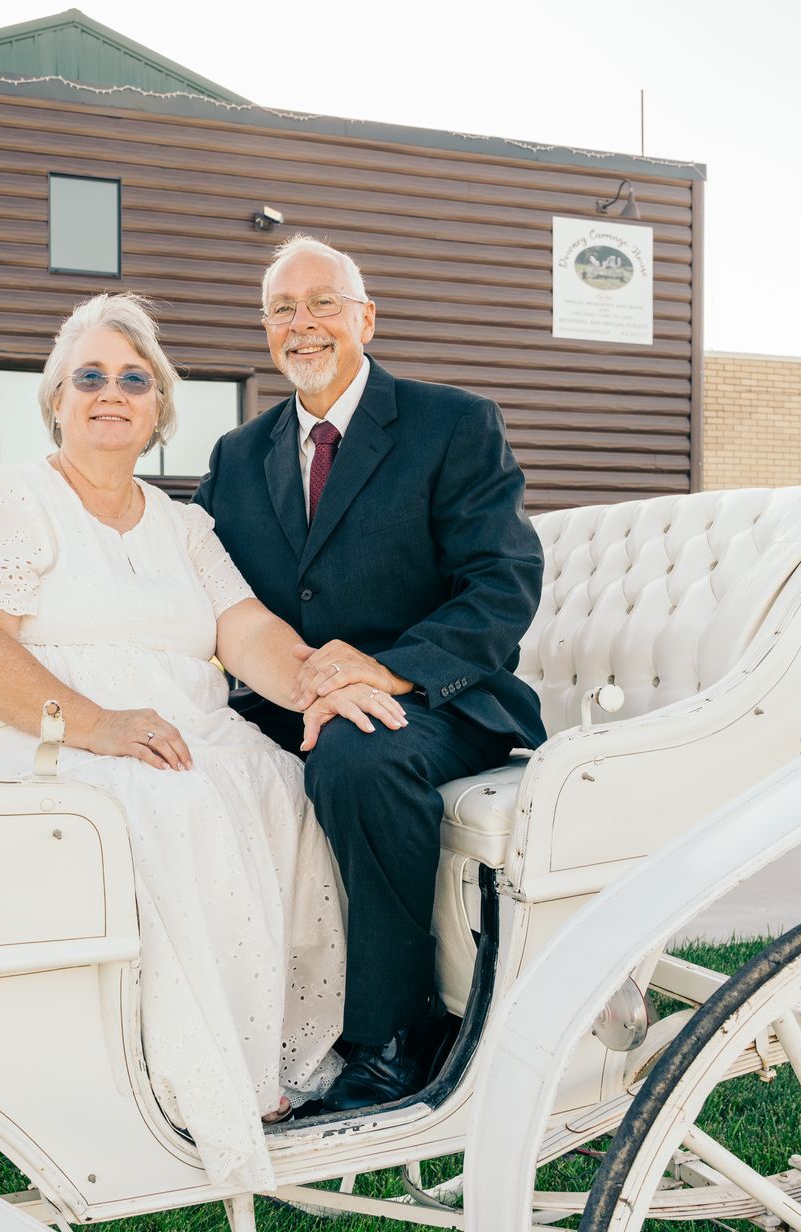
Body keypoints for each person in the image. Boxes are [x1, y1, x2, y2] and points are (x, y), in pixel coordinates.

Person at [0, 293, 406, 1191]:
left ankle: (276, 1063)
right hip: (32, 728)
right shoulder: (10, 493)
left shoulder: (185, 525)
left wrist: (321, 683)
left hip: (175, 727)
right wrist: (99, 725)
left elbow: (245, 630)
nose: (112, 393)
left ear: (159, 411)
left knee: (280, 781)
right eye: (89, 376)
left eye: (134, 380)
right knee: (167, 804)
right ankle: (192, 1082)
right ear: (56, 398)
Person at [195, 235, 547, 1113]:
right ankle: (234, 1025)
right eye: (282, 309)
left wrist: (385, 671)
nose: (302, 324)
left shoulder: (452, 422)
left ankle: (395, 1037)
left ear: (366, 318)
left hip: (436, 698)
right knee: (192, 770)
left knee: (357, 754)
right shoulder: (237, 456)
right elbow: (205, 591)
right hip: (290, 701)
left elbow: (502, 583)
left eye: (323, 304)